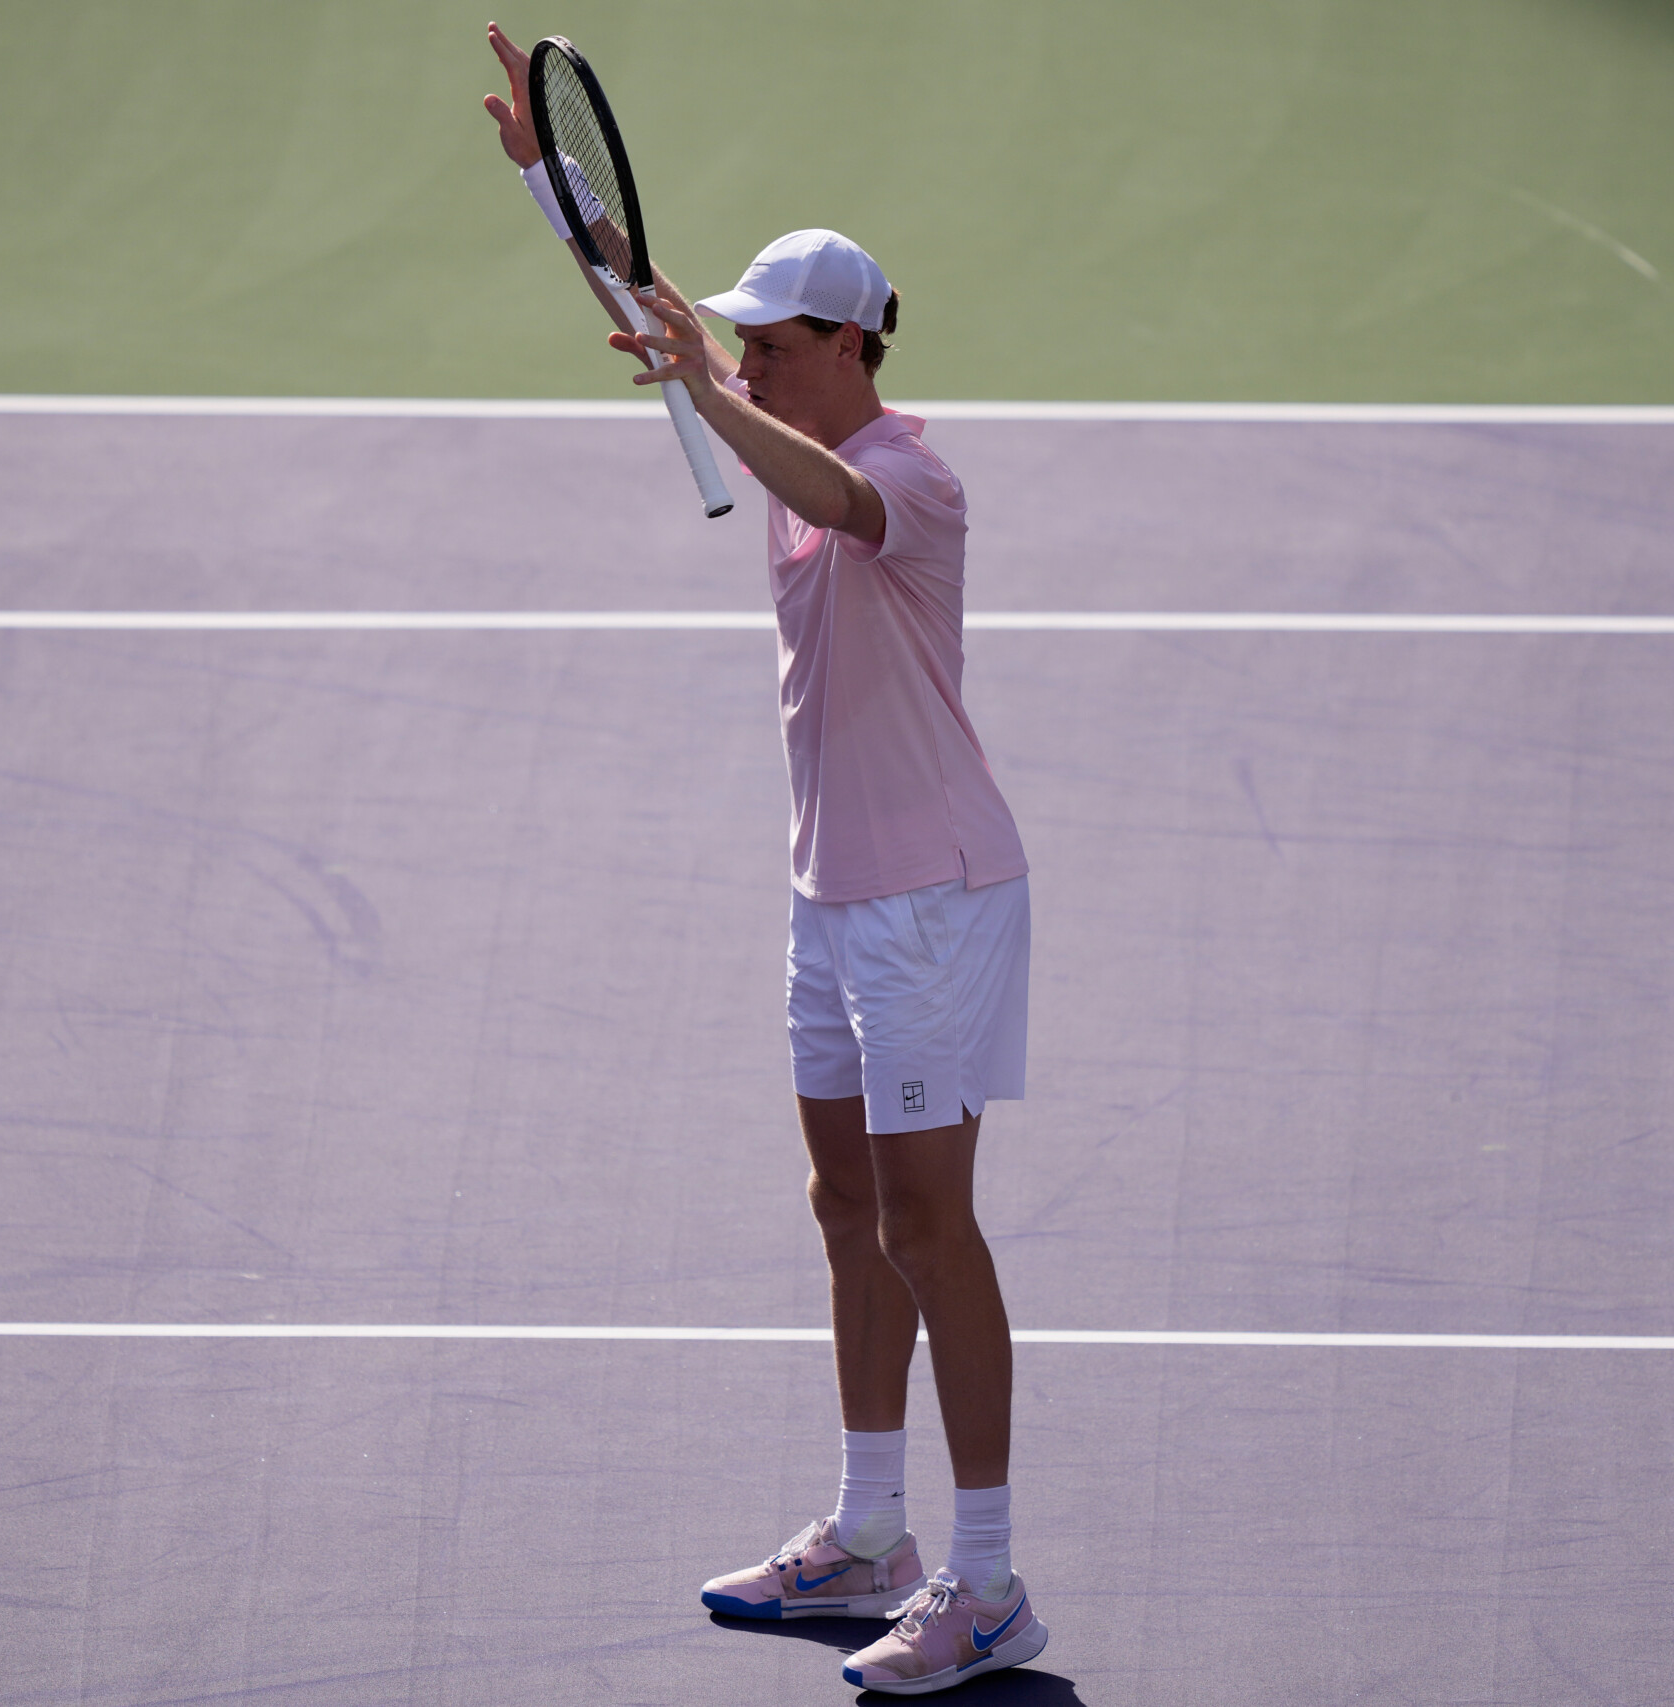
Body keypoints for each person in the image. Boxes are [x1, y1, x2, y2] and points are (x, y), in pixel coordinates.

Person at [483, 24, 1047, 1693]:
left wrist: (707, 392)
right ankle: (869, 1533)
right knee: (847, 1206)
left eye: (767, 334)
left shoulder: (908, 480)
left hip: (936, 902)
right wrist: (548, 182)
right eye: (742, 334)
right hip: (830, 897)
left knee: (937, 1232)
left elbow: (809, 471)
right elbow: (641, 281)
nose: (742, 346)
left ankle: (994, 1582)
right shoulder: (785, 431)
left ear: (846, 342)